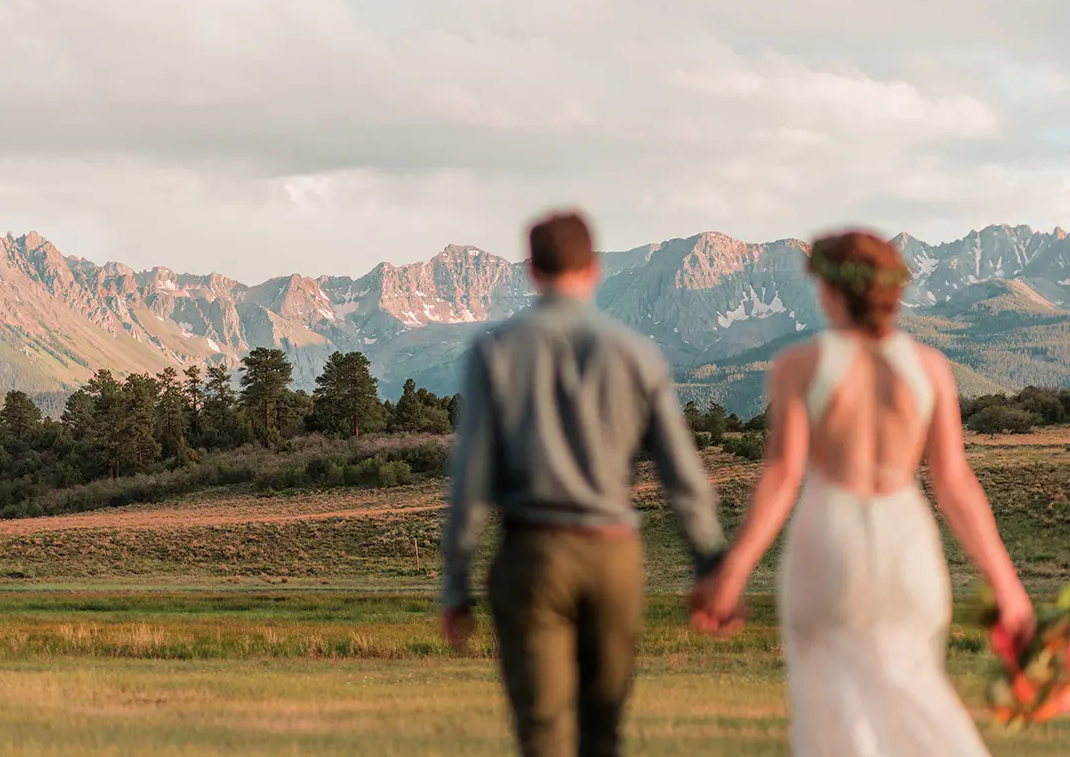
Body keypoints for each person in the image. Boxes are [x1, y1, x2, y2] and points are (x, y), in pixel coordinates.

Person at [694, 229, 1036, 755]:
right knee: (916, 692)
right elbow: (954, 482)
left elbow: (783, 475)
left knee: (833, 712)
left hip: (829, 540)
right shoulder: (931, 370)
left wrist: (733, 571)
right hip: (907, 544)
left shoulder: (800, 367)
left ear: (829, 290)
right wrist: (1007, 584)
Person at [438, 209, 738, 757]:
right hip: (613, 558)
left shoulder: (496, 350)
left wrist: (455, 581)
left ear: (532, 271)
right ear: (595, 268)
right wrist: (711, 563)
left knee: (543, 731)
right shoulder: (636, 353)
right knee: (605, 733)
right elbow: (683, 476)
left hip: (532, 554)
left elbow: (470, 480)